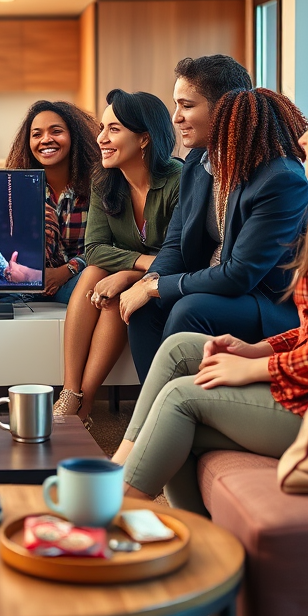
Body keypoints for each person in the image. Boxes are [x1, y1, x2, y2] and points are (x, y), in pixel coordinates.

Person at [113, 80, 308, 514]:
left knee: (179, 399)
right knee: (178, 352)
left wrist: (256, 369)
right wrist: (257, 348)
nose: (302, 137)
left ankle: (108, 515)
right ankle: (129, 479)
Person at [121, 55, 308, 383]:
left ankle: (173, 412)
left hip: (265, 303)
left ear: (223, 108)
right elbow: (176, 245)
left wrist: (158, 288)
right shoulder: (198, 161)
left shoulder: (281, 179)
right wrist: (147, 283)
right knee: (145, 309)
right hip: (212, 284)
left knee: (189, 309)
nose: (176, 117)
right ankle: (157, 412)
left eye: (187, 105)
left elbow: (240, 275)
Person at [55, 90, 182, 420]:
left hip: (168, 281)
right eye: (101, 128)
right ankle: (71, 393)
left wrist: (129, 274)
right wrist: (139, 265)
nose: (100, 138)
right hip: (131, 273)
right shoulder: (104, 181)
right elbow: (94, 249)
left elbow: (180, 253)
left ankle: (85, 402)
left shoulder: (179, 181)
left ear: (143, 138)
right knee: (94, 273)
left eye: (113, 129)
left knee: (109, 285)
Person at [5, 100, 101, 303]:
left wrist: (64, 272)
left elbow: (104, 246)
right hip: (26, 284)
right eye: (37, 134)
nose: (46, 140)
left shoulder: (97, 186)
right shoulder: (18, 189)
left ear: (74, 136)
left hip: (76, 281)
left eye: (56, 131)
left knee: (94, 280)